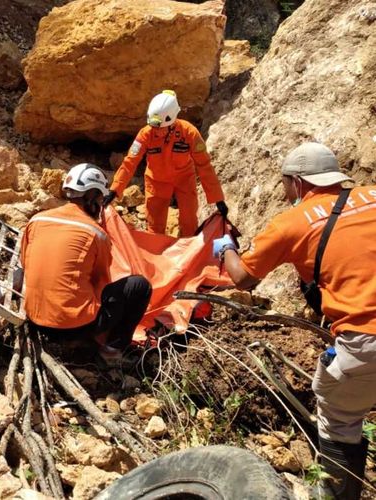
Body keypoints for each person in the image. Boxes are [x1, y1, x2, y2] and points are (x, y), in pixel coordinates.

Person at [214, 142, 376, 500]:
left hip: (366, 338)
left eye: (285, 184)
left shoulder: (290, 223)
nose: (284, 191)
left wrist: (225, 248)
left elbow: (243, 278)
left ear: (298, 183)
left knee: (340, 420)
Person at [20, 163, 152, 363]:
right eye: (99, 198)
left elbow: (25, 264)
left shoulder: (36, 220)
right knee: (140, 286)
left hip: (35, 319)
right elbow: (101, 281)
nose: (100, 204)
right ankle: (112, 351)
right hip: (73, 328)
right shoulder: (96, 233)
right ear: (91, 196)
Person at [105, 90, 227, 237]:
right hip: (156, 181)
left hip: (184, 179)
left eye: (160, 127)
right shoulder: (146, 133)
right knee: (155, 226)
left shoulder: (189, 133)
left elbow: (204, 165)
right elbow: (130, 162)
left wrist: (217, 198)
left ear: (172, 121)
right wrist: (114, 189)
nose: (156, 131)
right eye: (154, 126)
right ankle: (156, 256)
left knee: (189, 221)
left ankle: (188, 254)